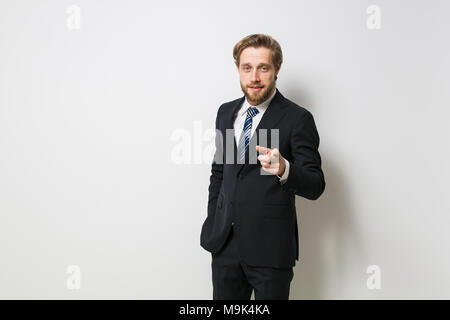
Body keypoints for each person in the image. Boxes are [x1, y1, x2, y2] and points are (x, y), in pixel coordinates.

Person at [200, 34, 325, 300]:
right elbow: (219, 173)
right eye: (247, 68)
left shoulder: (298, 118)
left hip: (270, 251)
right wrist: (214, 220)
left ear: (277, 69)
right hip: (225, 246)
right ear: (238, 69)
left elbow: (316, 184)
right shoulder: (226, 112)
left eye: (263, 68)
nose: (254, 77)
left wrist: (284, 169)